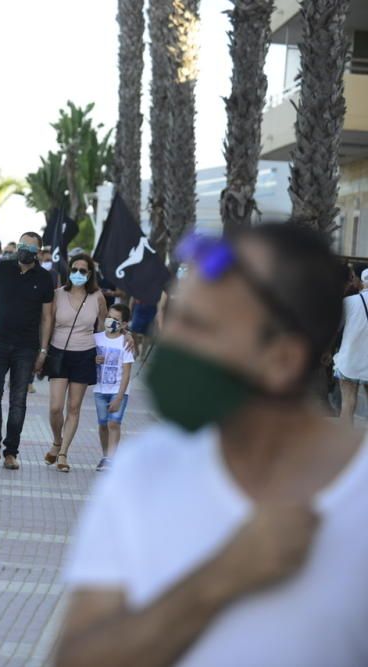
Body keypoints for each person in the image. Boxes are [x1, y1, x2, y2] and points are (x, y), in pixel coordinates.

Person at [56, 224, 368, 667]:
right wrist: (220, 578)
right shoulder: (144, 469)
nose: (173, 344)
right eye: (178, 318)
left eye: (199, 327)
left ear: (282, 360)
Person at [0, 233, 55, 470]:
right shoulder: (2, 268)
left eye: (31, 248)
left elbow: (47, 317)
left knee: (18, 401)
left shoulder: (44, 278)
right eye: (22, 246)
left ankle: (11, 452)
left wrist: (43, 350)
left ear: (39, 252)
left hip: (27, 347)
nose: (25, 251)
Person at [43, 254, 108, 473]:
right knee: (55, 407)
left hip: (85, 354)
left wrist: (123, 337)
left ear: (90, 274)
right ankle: (56, 440)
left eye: (83, 270)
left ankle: (63, 453)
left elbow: (105, 327)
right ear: (69, 270)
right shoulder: (57, 294)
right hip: (59, 352)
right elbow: (48, 323)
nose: (78, 273)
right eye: (75, 269)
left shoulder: (97, 297)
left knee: (73, 407)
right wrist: (42, 351)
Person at [93, 303, 135, 472]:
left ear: (124, 324)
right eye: (109, 317)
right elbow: (88, 358)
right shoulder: (96, 338)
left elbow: (127, 372)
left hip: (118, 391)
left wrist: (119, 396)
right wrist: (93, 360)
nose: (110, 321)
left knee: (114, 424)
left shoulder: (125, 343)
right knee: (103, 424)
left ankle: (111, 458)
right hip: (99, 390)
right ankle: (105, 456)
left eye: (116, 319)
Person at [335, 267, 368, 424]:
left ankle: (343, 447)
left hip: (350, 361)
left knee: (347, 404)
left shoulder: (349, 302)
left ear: (362, 282)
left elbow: (335, 329)